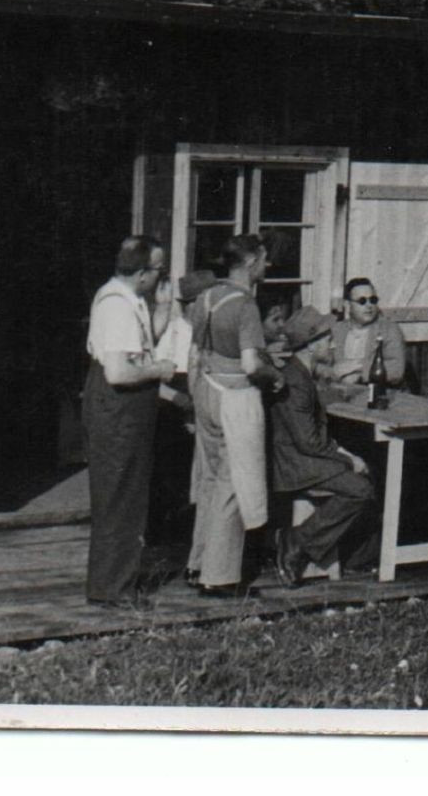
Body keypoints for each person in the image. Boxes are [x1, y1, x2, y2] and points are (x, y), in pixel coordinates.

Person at [82, 235, 176, 611]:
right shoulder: (117, 307)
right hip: (118, 407)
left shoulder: (130, 299)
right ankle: (111, 588)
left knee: (127, 493)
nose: (161, 277)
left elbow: (140, 343)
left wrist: (163, 311)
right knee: (119, 495)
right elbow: (120, 372)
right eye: (159, 270)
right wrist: (161, 370)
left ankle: (116, 582)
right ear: (141, 273)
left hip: (128, 408)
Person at [186, 234, 282, 599]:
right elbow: (250, 364)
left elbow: (195, 352)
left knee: (210, 479)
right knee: (233, 482)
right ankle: (220, 575)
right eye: (263, 259)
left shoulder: (205, 296)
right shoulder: (245, 305)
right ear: (249, 262)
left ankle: (196, 563)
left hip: (206, 391)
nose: (266, 265)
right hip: (235, 398)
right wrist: (276, 377)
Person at [267, 306, 381, 586]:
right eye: (326, 338)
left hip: (303, 455)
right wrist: (346, 458)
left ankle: (352, 556)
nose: (332, 343)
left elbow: (311, 437)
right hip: (294, 463)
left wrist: (345, 453)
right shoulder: (295, 381)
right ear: (309, 346)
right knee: (361, 489)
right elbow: (308, 442)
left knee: (367, 475)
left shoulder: (301, 373)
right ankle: (297, 542)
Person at [149, 269, 215, 548]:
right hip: (174, 410)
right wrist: (181, 402)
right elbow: (154, 380)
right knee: (173, 477)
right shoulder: (174, 333)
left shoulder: (213, 331)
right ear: (190, 304)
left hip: (205, 407)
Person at [327, 277, 407, 388]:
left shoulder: (389, 329)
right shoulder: (336, 330)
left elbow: (396, 370)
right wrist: (334, 373)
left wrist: (359, 370)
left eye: (373, 300)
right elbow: (317, 365)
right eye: (362, 301)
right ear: (347, 304)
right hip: (338, 394)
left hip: (378, 395)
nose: (369, 305)